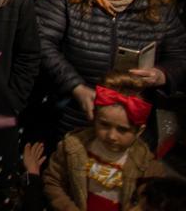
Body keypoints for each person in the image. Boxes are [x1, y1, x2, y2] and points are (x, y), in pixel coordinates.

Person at [35, 0, 186, 134]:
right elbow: (41, 41)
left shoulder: (158, 4)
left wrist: (163, 74)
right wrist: (75, 86)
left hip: (130, 121)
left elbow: (179, 53)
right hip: (71, 113)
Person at [42, 74, 165, 211]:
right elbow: (53, 182)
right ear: (95, 118)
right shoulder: (72, 148)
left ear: (140, 131)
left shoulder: (148, 167)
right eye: (104, 125)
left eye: (122, 130)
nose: (111, 136)